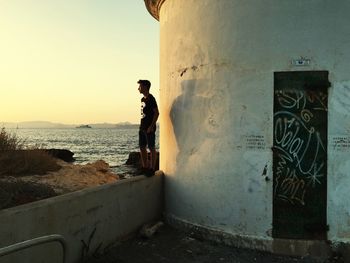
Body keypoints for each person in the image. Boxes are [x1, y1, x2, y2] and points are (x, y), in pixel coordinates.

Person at [137, 79, 159, 176]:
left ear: (145, 87)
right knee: (142, 147)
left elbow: (157, 113)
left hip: (149, 127)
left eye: (140, 86)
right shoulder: (142, 99)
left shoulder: (151, 98)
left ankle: (152, 169)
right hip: (142, 127)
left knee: (151, 147)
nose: (138, 88)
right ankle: (145, 167)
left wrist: (151, 126)